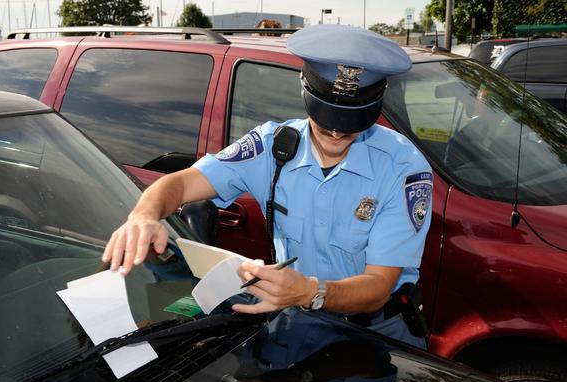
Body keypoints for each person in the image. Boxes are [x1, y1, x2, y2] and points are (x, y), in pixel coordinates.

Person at [102, 24, 432, 348]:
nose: (336, 133)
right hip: (296, 324)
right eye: (326, 119)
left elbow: (378, 286)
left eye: (351, 124)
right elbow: (180, 183)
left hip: (375, 334)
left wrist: (311, 292)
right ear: (306, 95)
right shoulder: (271, 148)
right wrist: (143, 216)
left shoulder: (403, 168)